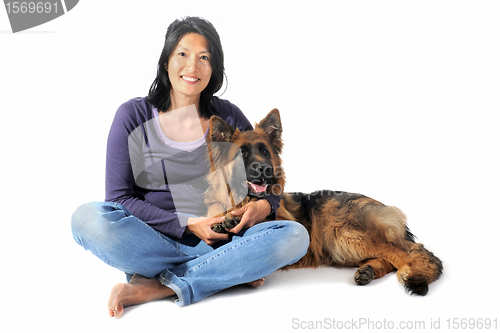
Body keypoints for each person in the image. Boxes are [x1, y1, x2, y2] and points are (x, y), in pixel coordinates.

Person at [71, 16, 309, 318]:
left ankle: (159, 286)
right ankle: (223, 272)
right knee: (85, 219)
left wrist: (265, 206)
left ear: (215, 68)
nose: (192, 67)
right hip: (152, 240)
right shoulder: (133, 115)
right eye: (182, 54)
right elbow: (119, 199)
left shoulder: (229, 116)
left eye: (204, 57)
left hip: (225, 240)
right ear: (166, 60)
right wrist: (187, 223)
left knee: (295, 236)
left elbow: (266, 178)